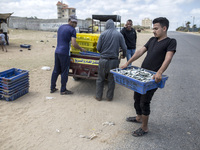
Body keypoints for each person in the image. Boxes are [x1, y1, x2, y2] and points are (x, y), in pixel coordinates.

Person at [121, 17, 177, 137]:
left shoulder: (170, 42)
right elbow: (140, 52)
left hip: (153, 78)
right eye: (153, 28)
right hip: (143, 74)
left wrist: (160, 72)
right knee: (136, 97)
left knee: (144, 101)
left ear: (164, 28)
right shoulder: (152, 40)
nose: (153, 31)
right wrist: (127, 63)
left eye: (156, 28)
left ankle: (144, 128)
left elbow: (168, 58)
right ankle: (139, 117)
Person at [50, 15, 85, 95]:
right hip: (65, 53)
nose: (74, 24)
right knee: (64, 71)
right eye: (73, 22)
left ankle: (52, 88)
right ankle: (63, 90)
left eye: (75, 23)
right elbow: (74, 43)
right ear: (69, 20)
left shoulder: (61, 27)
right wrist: (81, 48)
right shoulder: (73, 30)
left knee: (56, 70)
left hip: (57, 51)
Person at [95, 19, 127, 101]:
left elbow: (98, 48)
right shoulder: (119, 35)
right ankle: (109, 97)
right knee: (111, 80)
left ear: (106, 25)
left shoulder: (103, 34)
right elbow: (124, 47)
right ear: (114, 25)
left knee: (100, 79)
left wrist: (104, 51)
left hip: (103, 60)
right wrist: (124, 55)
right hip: (114, 61)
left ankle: (98, 96)